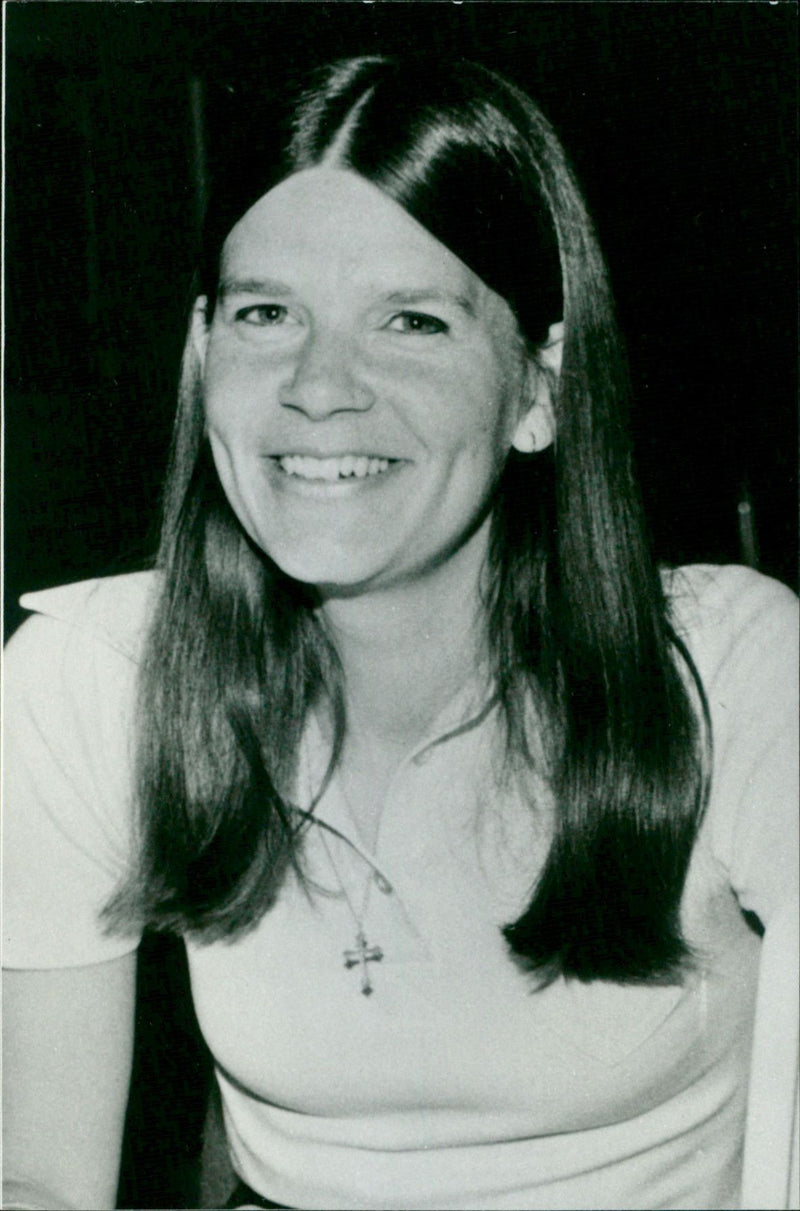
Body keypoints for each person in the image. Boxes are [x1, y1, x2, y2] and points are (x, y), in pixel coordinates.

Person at [3, 54, 797, 1211]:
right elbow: (34, 1175)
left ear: (539, 387)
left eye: (412, 321)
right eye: (267, 314)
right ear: (202, 352)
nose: (320, 386)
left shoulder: (725, 670)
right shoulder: (90, 678)